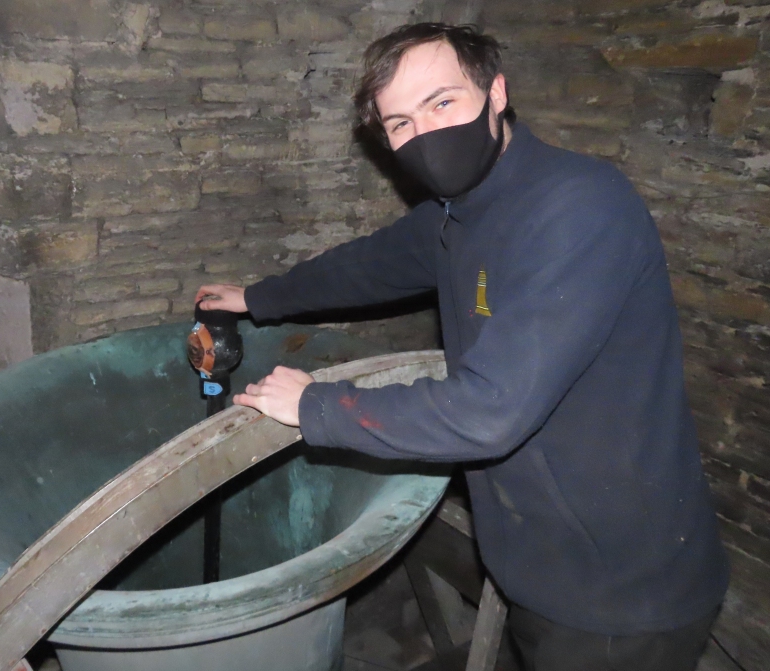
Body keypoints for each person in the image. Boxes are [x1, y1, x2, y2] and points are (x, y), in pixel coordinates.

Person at [195, 22, 728, 671]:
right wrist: (258, 297)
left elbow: (488, 412)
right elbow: (369, 265)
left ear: (496, 92)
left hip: (619, 590)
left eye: (441, 103)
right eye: (399, 123)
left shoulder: (579, 209)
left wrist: (316, 405)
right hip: (538, 562)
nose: (424, 134)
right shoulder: (459, 210)